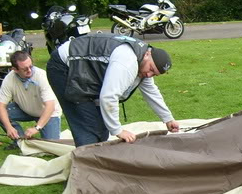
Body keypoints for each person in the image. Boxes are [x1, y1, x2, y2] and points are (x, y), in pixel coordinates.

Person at [46, 34, 179, 147]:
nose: (150, 75)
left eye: (154, 74)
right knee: (86, 124)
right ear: (147, 54)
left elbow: (151, 92)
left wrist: (168, 118)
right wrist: (118, 130)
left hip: (87, 73)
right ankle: (87, 168)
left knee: (101, 124)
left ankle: (98, 159)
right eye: (150, 69)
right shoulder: (128, 61)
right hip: (64, 67)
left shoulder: (143, 62)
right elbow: (109, 96)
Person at [0, 50, 61, 149]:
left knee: (51, 146)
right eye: (24, 69)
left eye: (31, 66)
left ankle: (38, 135)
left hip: (48, 113)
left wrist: (36, 128)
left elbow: (50, 106)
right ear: (15, 69)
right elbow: (0, 106)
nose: (29, 70)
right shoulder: (9, 79)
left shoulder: (42, 76)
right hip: (25, 109)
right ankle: (20, 141)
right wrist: (9, 127)